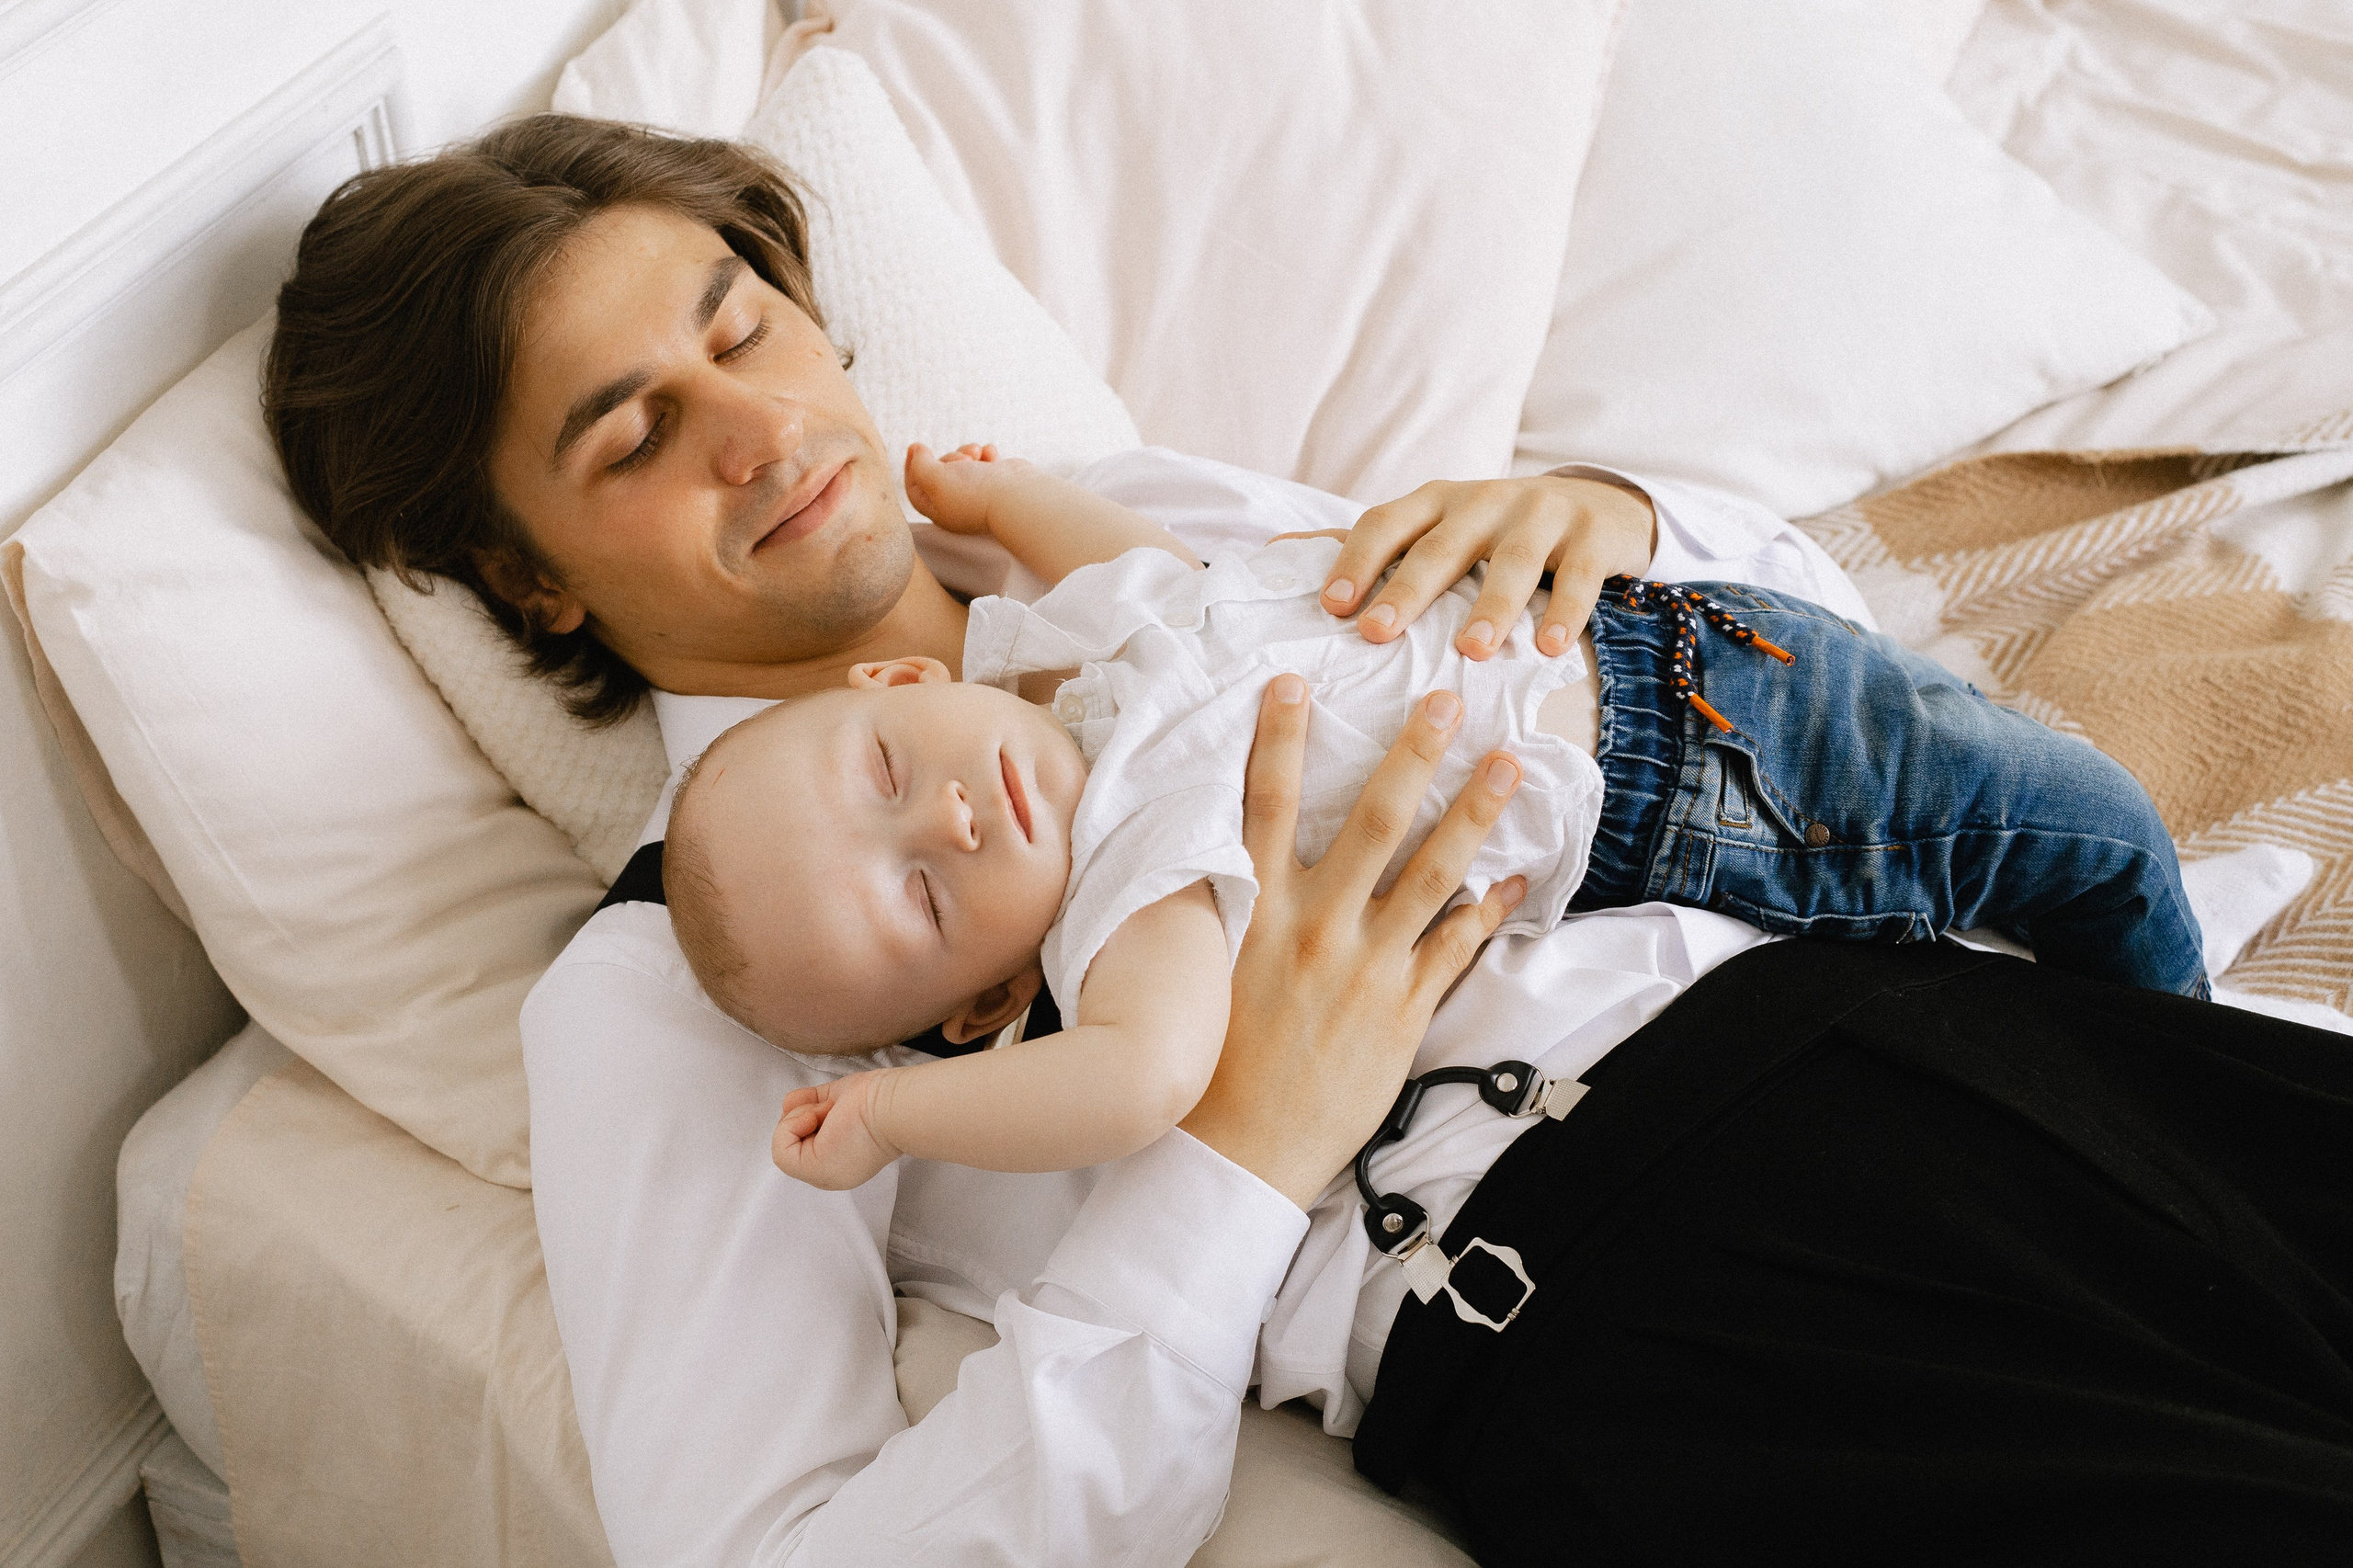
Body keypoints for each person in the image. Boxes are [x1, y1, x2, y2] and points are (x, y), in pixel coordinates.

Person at [264, 114, 2353, 1565]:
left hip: (1941, 1031)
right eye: (630, 435)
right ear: (523, 578)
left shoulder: (1139, 529)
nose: (758, 427)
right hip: (1645, 1298)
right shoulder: (672, 984)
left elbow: (1762, 686)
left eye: (739, 331)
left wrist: (1624, 518)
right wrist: (1232, 1154)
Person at [661, 441, 2200, 1196]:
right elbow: (1140, 1081)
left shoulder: (1095, 655)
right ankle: (2198, 1091)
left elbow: (1128, 551)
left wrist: (999, 501)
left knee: (2033, 822)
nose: (949, 818)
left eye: (882, 768)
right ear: (997, 994)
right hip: (1712, 783)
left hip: (1669, 621)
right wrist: (887, 1118)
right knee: (2097, 840)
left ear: (896, 674)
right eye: (925, 902)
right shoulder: (1139, 891)